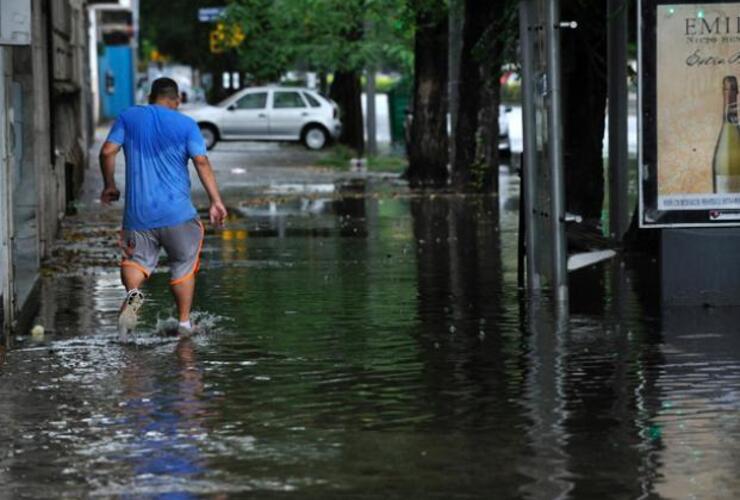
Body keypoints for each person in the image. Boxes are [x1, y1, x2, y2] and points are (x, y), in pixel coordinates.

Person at [99, 77, 227, 339]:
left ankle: (132, 302)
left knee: (136, 262)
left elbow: (107, 152)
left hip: (138, 217)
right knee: (183, 266)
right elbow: (201, 162)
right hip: (178, 215)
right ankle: (183, 324)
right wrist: (216, 201)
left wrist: (109, 185)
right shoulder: (187, 125)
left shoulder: (129, 117)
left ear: (150, 96)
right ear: (177, 100)